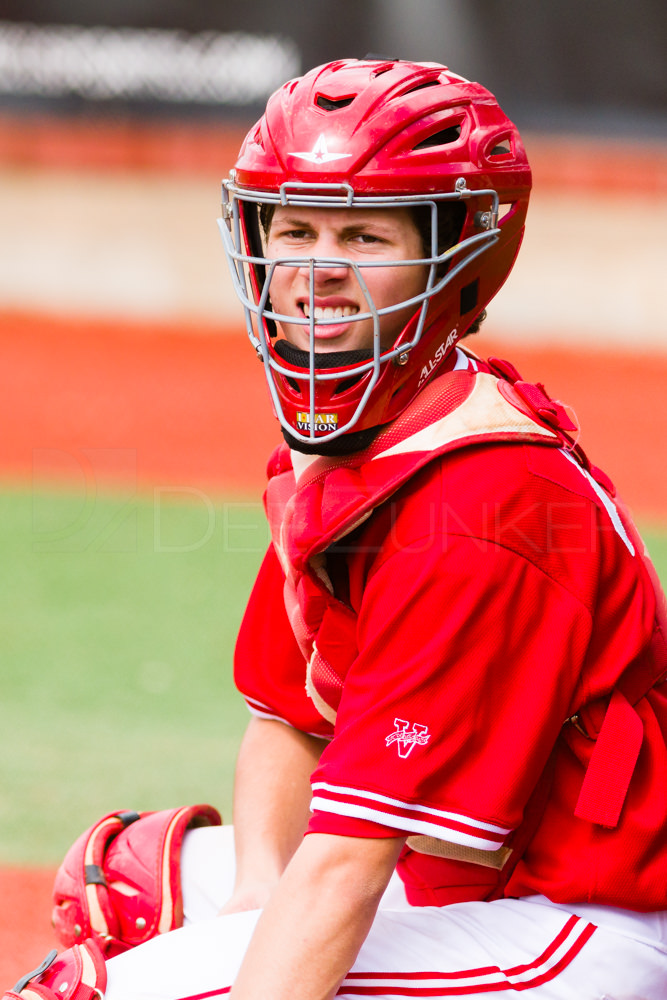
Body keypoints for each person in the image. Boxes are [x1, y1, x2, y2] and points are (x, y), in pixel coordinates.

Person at [7, 56, 667, 1000]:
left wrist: (226, 972)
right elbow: (289, 719)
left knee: (118, 991)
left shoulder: (483, 504)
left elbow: (349, 865)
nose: (315, 269)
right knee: (132, 886)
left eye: (362, 235)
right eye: (297, 229)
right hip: (471, 878)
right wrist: (248, 907)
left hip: (592, 922)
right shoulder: (358, 440)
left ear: (457, 259)